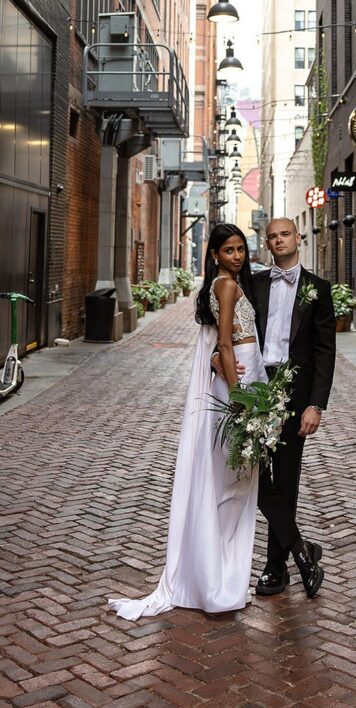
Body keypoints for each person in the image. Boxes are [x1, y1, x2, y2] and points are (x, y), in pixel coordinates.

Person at [108, 223, 267, 620]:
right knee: (231, 483)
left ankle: (220, 576)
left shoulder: (224, 283)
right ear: (214, 254)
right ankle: (213, 580)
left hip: (244, 378)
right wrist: (240, 398)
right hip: (239, 386)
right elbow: (227, 343)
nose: (237, 256)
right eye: (229, 250)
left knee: (235, 481)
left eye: (241, 249)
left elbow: (218, 342)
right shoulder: (226, 286)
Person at [213, 217, 336, 599]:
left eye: (285, 234)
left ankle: (274, 568)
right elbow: (224, 327)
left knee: (285, 479)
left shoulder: (318, 289)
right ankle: (302, 552)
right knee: (260, 481)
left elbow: (324, 352)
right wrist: (217, 359)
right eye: (272, 237)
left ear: (298, 237)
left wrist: (316, 404)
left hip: (295, 396)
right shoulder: (253, 283)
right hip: (256, 388)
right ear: (266, 244)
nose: (279, 240)